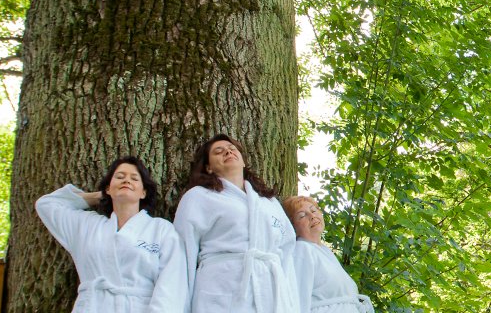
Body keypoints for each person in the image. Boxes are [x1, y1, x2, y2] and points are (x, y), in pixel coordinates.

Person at [36, 156, 187, 313]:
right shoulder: (87, 226)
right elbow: (46, 204)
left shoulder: (161, 230)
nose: (126, 181)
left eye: (134, 178)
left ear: (143, 192)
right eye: (119, 177)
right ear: (108, 188)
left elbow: (172, 285)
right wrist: (98, 196)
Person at [173, 134, 298, 313]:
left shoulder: (269, 203)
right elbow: (183, 255)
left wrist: (291, 303)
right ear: (208, 167)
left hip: (271, 290)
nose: (228, 151)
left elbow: (287, 255)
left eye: (232, 149)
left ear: (244, 162)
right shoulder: (198, 197)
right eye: (219, 151)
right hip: (222, 286)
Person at [283, 195, 374, 313]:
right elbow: (297, 300)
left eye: (313, 210)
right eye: (302, 215)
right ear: (293, 226)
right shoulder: (302, 250)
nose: (312, 216)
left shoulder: (324, 251)